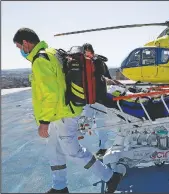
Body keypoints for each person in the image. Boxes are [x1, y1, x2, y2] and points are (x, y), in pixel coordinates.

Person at [13, 28, 122, 193]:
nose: (20, 51)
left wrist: (44, 122)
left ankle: (110, 176)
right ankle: (59, 186)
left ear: (26, 43)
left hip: (63, 113)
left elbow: (51, 94)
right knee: (54, 150)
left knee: (73, 152)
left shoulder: (40, 60)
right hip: (60, 112)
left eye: (19, 47)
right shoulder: (52, 52)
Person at [81, 43, 115, 158]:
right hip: (90, 99)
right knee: (86, 122)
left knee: (101, 123)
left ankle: (103, 147)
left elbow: (104, 75)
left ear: (91, 51)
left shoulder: (97, 62)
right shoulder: (85, 63)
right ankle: (76, 145)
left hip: (99, 99)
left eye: (87, 52)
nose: (86, 54)